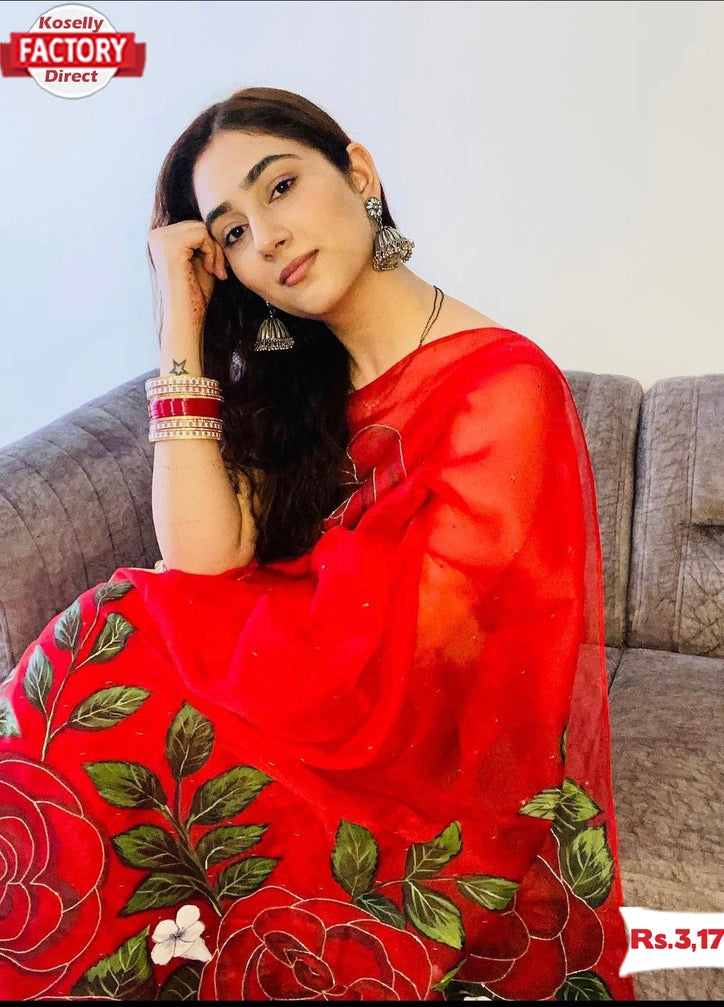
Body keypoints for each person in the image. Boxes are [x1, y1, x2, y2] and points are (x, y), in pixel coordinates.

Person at [0, 87, 635, 1001]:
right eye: (231, 231)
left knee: (118, 642)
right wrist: (179, 321)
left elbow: (419, 663)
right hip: (309, 715)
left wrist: (217, 642)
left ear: (360, 175)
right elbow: (203, 561)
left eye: (281, 187)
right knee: (99, 644)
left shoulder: (506, 388)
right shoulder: (296, 386)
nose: (266, 237)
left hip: (413, 777)